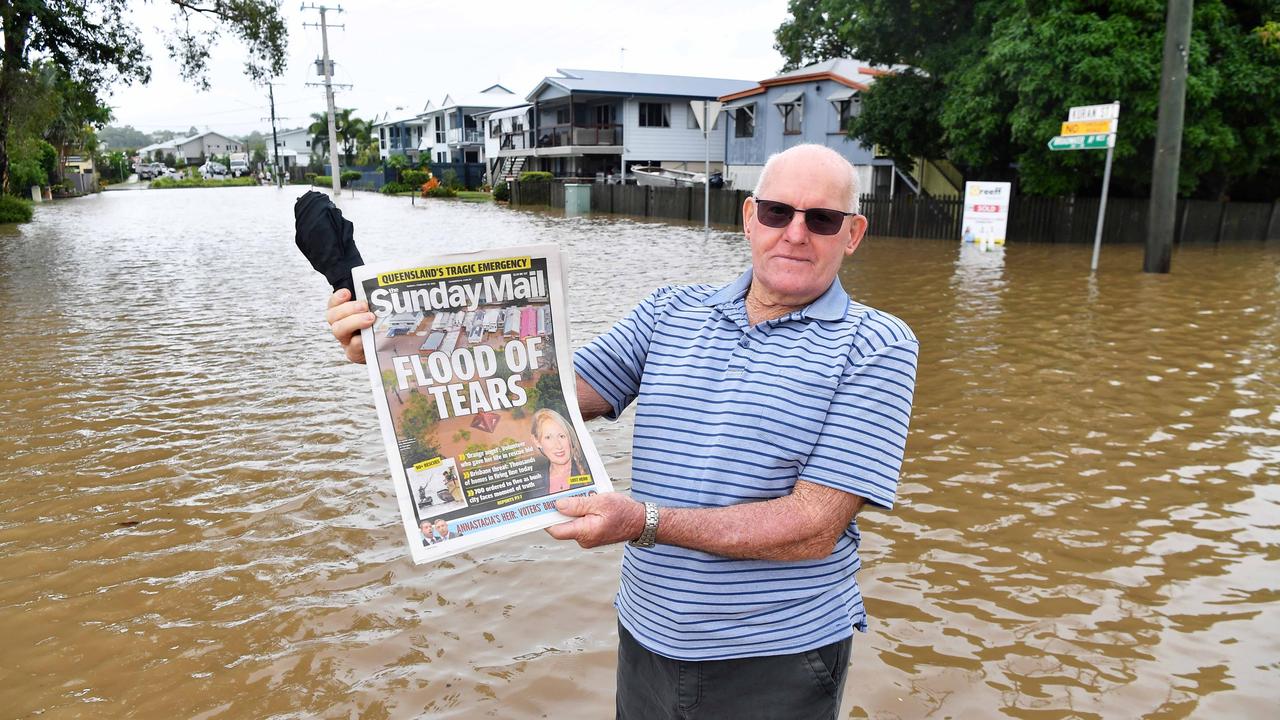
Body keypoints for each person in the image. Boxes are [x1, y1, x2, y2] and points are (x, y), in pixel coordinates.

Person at [325, 144, 919, 719]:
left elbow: (814, 527)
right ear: (749, 217)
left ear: (852, 233)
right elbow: (536, 397)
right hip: (648, 633)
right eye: (777, 212)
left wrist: (644, 521)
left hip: (777, 654)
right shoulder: (669, 311)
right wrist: (394, 356)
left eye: (821, 219)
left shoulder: (876, 346)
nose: (794, 233)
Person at [529, 407, 587, 494]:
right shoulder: (534, 483)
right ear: (537, 441)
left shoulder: (587, 471)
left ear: (569, 437)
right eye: (548, 437)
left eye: (561, 436)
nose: (558, 446)